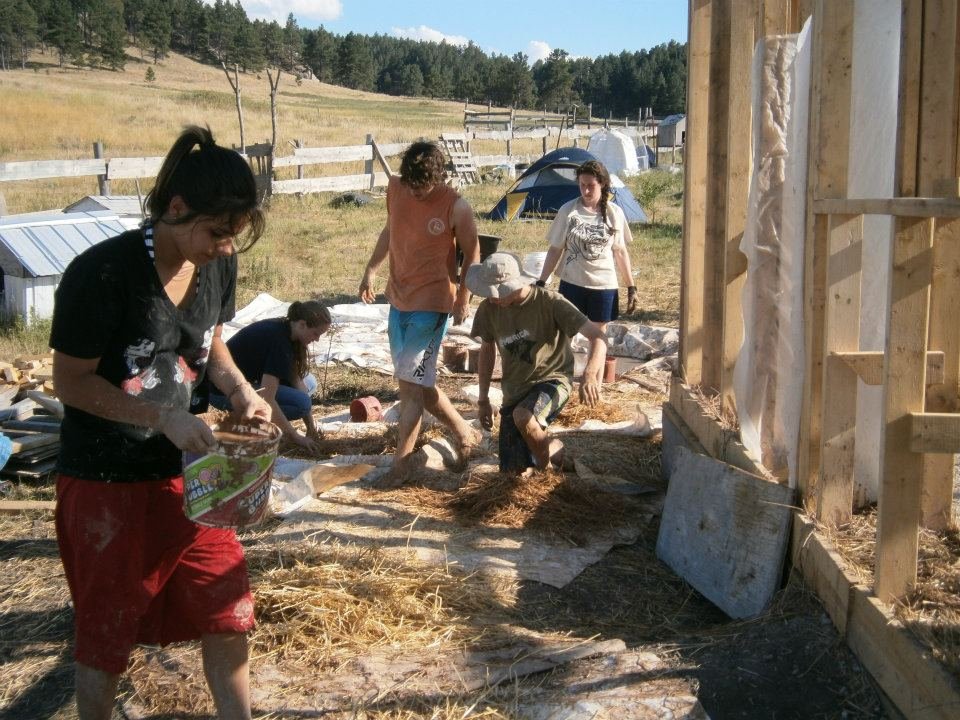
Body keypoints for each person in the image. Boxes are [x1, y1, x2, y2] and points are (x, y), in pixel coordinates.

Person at [50, 125, 271, 720]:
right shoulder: (102, 274)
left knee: (227, 609)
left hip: (195, 474)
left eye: (236, 236)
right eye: (219, 232)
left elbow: (210, 343)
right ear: (176, 208)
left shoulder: (215, 267)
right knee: (107, 631)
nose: (227, 248)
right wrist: (160, 416)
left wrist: (240, 390)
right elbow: (69, 382)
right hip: (106, 479)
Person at [359, 140, 481, 484]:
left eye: (423, 186)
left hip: (433, 303)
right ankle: (463, 431)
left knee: (409, 388)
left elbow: (473, 254)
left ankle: (402, 467)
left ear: (438, 177)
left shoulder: (457, 206)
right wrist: (371, 268)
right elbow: (389, 229)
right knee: (418, 383)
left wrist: (464, 297)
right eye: (411, 184)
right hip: (398, 299)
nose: (415, 192)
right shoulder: (396, 189)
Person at [467, 252, 608, 473]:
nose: (492, 297)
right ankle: (553, 449)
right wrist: (483, 399)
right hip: (514, 390)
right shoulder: (488, 309)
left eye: (497, 292)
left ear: (514, 284)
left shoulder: (550, 303)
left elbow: (598, 337)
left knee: (524, 416)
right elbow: (487, 351)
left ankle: (545, 472)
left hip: (552, 380)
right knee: (512, 471)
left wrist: (589, 374)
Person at [536, 160, 637, 380]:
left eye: (591, 185)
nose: (586, 190)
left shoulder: (614, 213)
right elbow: (555, 249)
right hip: (572, 283)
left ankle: (594, 387)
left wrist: (631, 287)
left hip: (603, 287)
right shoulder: (568, 211)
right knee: (563, 335)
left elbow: (620, 252)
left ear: (602, 184)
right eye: (582, 185)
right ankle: (559, 382)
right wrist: (542, 281)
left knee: (598, 338)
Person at [212, 300, 330, 452]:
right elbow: (267, 397)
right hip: (223, 391)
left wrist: (311, 427)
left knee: (309, 383)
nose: (317, 339)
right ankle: (251, 423)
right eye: (316, 333)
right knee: (301, 404)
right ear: (302, 324)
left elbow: (296, 380)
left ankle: (268, 421)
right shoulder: (279, 342)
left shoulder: (288, 330)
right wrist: (295, 437)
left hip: (246, 381)